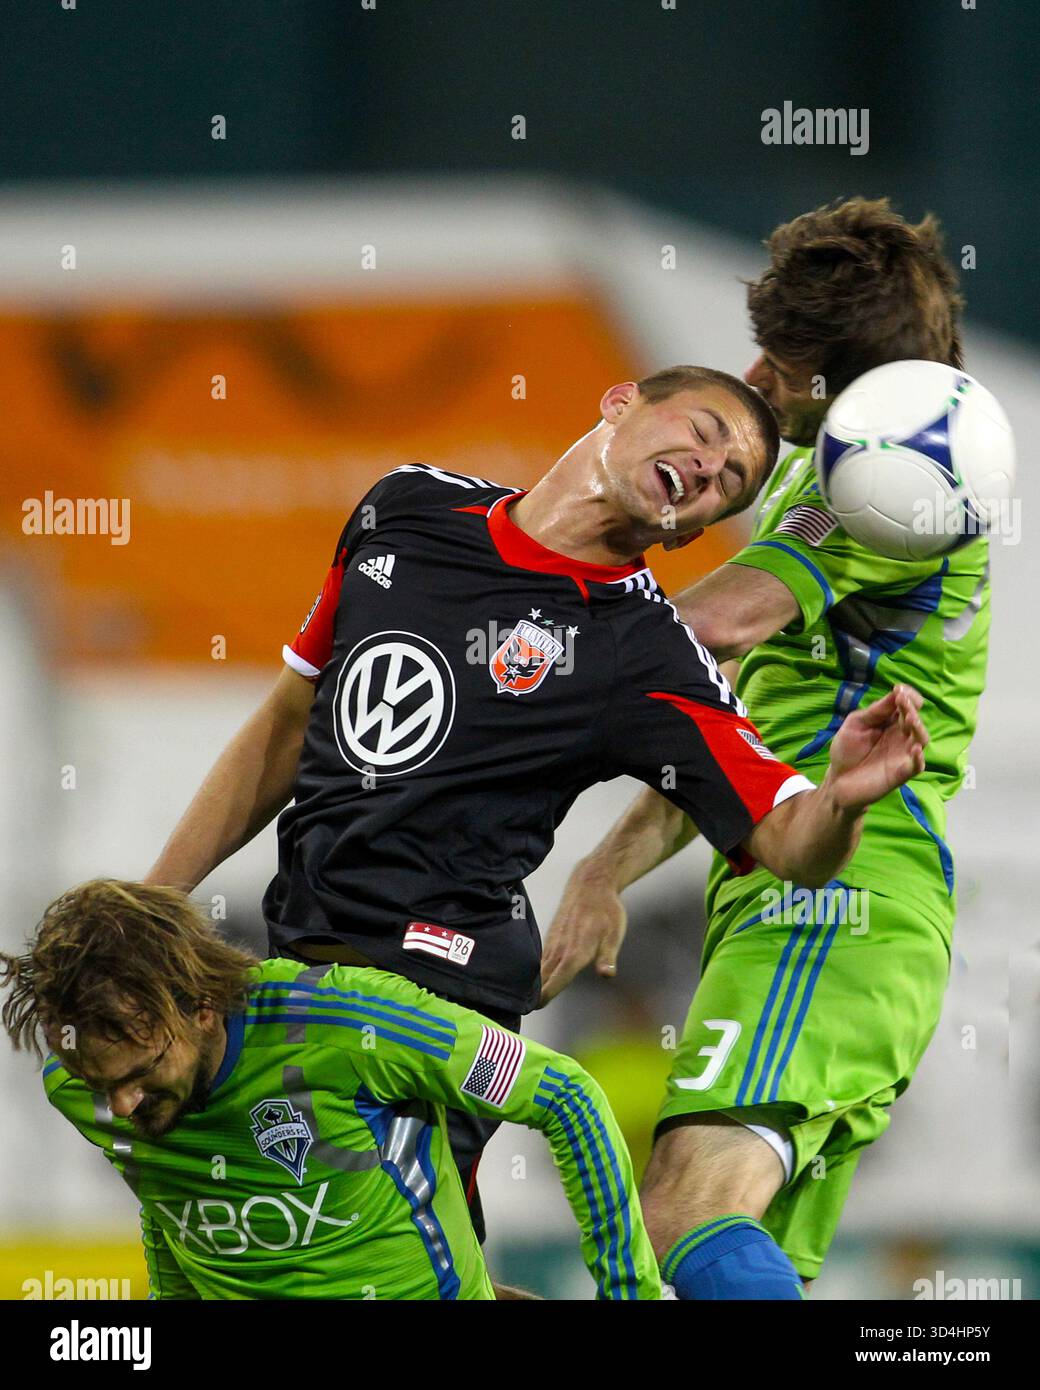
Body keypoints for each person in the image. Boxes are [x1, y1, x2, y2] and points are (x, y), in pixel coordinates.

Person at [143, 359, 927, 1242]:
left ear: (691, 532)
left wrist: (846, 798)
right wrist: (152, 903)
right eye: (703, 435)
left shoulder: (647, 654)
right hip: (295, 968)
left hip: (434, 991)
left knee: (346, 1261)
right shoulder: (405, 505)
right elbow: (290, 719)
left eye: (731, 481)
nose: (709, 470)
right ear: (621, 402)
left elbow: (790, 842)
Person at [540, 197, 981, 1299]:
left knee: (682, 1211)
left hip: (834, 900)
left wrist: (507, 624)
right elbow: (718, 734)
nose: (756, 376)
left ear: (857, 388)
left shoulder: (888, 488)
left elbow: (706, 628)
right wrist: (602, 868)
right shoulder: (823, 479)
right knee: (674, 1262)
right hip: (805, 896)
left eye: (783, 365)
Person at [0, 878, 662, 1300]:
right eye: (102, 1083)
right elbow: (171, 1200)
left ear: (202, 1006)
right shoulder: (78, 1083)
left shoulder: (349, 1024)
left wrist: (632, 1291)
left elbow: (566, 1096)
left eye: (142, 1074)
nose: (119, 1107)